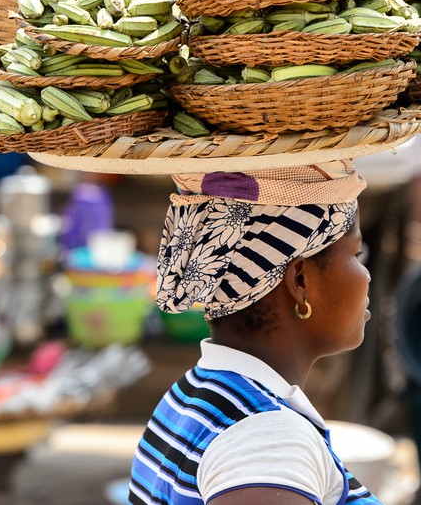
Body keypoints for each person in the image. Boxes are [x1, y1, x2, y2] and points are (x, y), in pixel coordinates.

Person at [128, 161, 385, 505]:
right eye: (356, 253)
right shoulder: (268, 441)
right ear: (300, 281)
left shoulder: (194, 393)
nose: (366, 276)